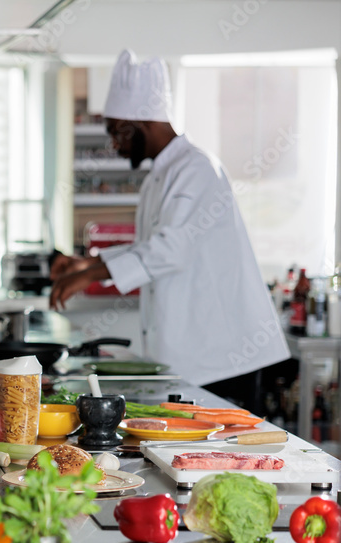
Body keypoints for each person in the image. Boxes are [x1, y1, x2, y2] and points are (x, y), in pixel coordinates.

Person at [49, 49, 288, 406]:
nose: (114, 144)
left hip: (225, 359)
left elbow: (170, 249)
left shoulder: (196, 169)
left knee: (221, 457)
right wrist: (87, 265)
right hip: (197, 355)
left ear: (140, 123)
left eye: (116, 132)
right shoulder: (161, 175)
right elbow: (152, 245)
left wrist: (90, 276)